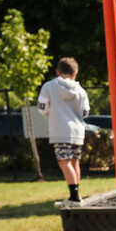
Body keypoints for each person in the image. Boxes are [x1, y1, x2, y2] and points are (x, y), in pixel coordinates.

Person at [36, 57, 89, 203]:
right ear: (75, 73)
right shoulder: (80, 90)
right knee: (74, 161)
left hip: (60, 129)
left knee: (64, 161)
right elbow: (85, 112)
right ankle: (77, 194)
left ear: (58, 71)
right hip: (78, 131)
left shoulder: (49, 86)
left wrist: (51, 114)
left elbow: (42, 107)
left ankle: (74, 195)